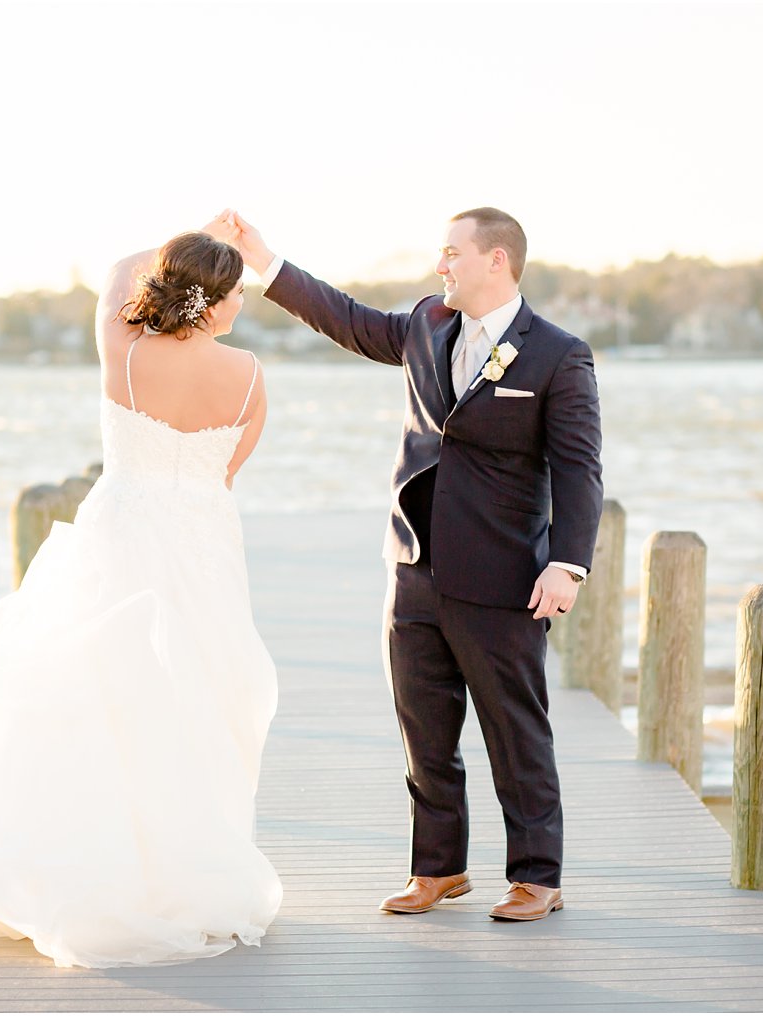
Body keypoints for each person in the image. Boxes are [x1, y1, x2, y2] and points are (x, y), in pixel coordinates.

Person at [0, 213, 282, 967]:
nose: (241, 306)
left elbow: (119, 273)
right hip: (202, 546)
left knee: (89, 694)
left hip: (121, 532)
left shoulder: (125, 354)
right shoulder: (251, 375)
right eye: (236, 293)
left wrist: (197, 235)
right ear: (214, 300)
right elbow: (226, 473)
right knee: (195, 698)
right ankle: (178, 874)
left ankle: (58, 867)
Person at [230, 207, 603, 922]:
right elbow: (344, 317)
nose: (441, 266)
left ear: (497, 261)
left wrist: (568, 566)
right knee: (423, 731)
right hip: (413, 567)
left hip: (503, 579)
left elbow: (580, 470)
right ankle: (438, 870)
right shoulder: (425, 326)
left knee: (515, 733)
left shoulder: (559, 355)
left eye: (452, 253)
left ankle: (537, 877)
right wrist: (265, 261)